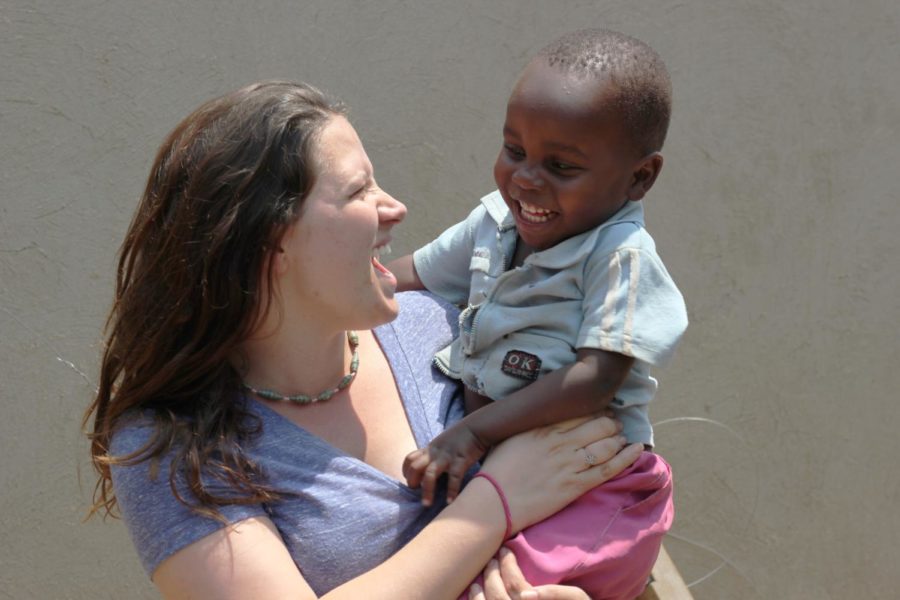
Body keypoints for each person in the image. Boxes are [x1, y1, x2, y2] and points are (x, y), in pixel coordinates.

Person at [84, 80, 648, 600]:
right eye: (359, 191)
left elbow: (598, 476)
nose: (395, 208)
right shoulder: (172, 451)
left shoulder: (444, 328)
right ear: (271, 244)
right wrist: (492, 504)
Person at [390, 27, 687, 593]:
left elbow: (595, 380)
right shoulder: (493, 223)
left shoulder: (620, 259)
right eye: (515, 150)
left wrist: (472, 433)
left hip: (594, 485)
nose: (525, 178)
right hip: (509, 471)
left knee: (501, 586)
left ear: (639, 177)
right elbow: (410, 276)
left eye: (562, 167)